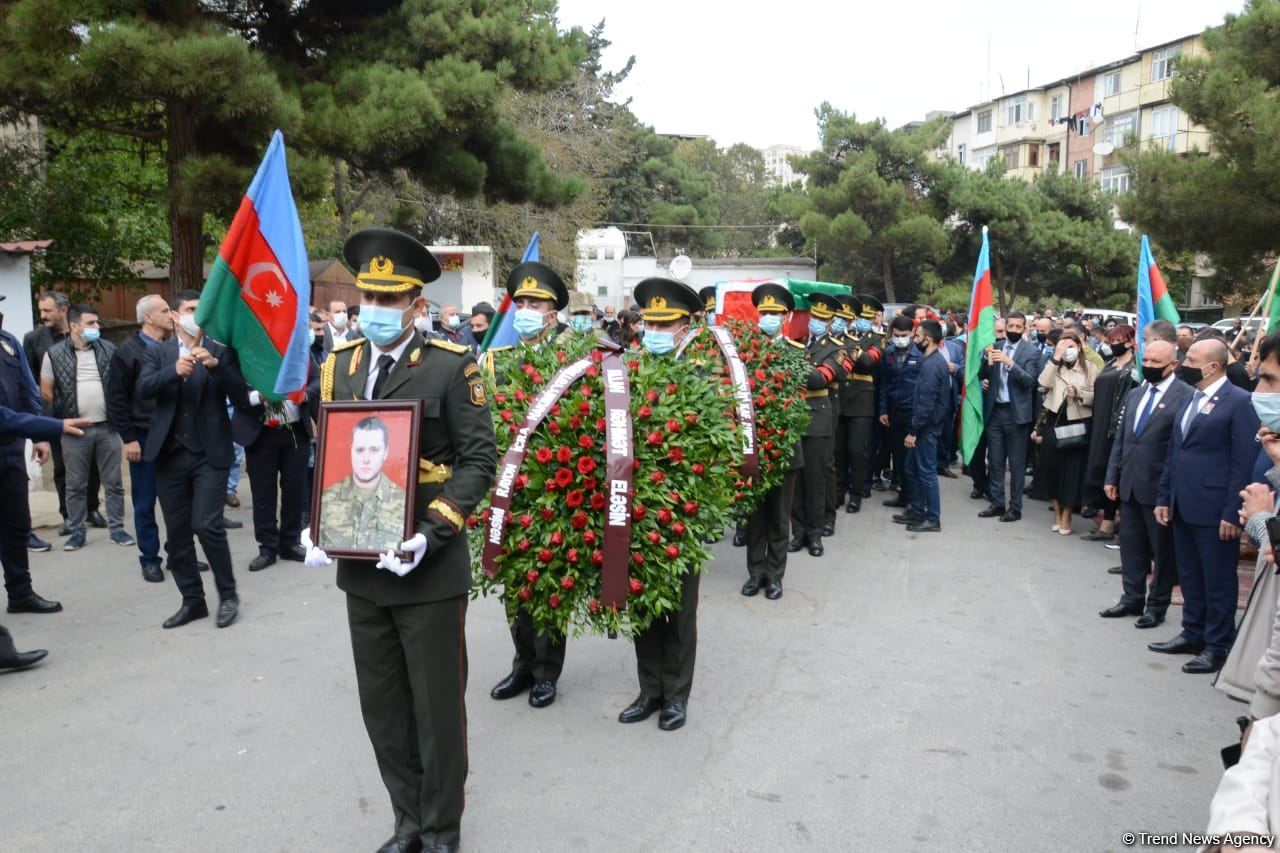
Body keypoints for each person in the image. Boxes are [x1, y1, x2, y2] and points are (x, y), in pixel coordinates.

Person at [304, 227, 496, 853]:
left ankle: (442, 830)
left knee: (436, 711)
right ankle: (407, 821)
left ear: (416, 305)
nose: (377, 313)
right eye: (369, 299)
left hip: (427, 566)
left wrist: (432, 532)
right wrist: (319, 520)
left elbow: (477, 462)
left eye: (392, 302)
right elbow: (332, 455)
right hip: (361, 568)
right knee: (383, 708)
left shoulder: (450, 364)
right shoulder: (340, 366)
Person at [618, 276, 707, 732]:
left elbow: (713, 452)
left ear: (684, 325)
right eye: (649, 321)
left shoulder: (700, 373)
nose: (654, 329)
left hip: (680, 513)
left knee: (678, 609)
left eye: (664, 322)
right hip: (633, 510)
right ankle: (649, 689)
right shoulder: (626, 370)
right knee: (642, 604)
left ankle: (676, 694)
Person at [486, 261, 572, 709]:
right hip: (507, 494)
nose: (525, 309)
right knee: (515, 583)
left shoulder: (572, 363)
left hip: (553, 493)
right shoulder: (494, 363)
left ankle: (546, 671)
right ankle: (522, 664)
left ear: (553, 314)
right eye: (519, 302)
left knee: (549, 585)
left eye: (534, 303)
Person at [138, 290, 248, 630]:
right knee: (179, 533)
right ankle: (192, 600)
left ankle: (228, 595)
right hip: (170, 456)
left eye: (201, 310)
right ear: (174, 316)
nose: (194, 315)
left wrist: (215, 368)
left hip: (209, 455)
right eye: (189, 309)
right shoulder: (159, 352)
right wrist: (174, 372)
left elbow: (241, 395)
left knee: (207, 525)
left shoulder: (219, 351)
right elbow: (143, 388)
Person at [1151, 339, 1260, 674]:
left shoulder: (1239, 401)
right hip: (1183, 502)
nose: (1184, 362)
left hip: (1215, 508)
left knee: (1218, 580)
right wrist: (1165, 496)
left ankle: (1217, 645)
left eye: (1192, 359)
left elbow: (1242, 461)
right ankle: (1192, 632)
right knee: (1189, 574)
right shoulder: (1191, 397)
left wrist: (1232, 511)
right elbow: (1176, 452)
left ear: (1213, 366)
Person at [1100, 340, 1190, 627]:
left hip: (1159, 489)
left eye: (1156, 362)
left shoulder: (1186, 396)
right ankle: (1132, 598)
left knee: (1162, 553)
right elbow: (1123, 440)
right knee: (1131, 546)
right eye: (1146, 360)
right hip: (1128, 485)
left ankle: (1156, 606)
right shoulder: (1136, 394)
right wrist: (1112, 476)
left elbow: (1180, 449)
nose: (1149, 366)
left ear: (1173, 365)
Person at [39, 304, 131, 551]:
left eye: (97, 323)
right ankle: (77, 531)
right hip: (75, 430)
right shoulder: (54, 354)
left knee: (113, 482)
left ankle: (117, 529)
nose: (96, 328)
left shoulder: (110, 350)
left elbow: (122, 385)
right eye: (91, 323)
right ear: (74, 326)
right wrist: (62, 412)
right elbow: (46, 390)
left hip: (107, 427)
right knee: (75, 484)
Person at [2, 317, 76, 617]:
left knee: (16, 526)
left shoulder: (7, 342)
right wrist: (53, 426)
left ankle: (20, 593)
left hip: (10, 449)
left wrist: (38, 436)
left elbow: (25, 392)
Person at [23, 290, 103, 543]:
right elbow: (30, 378)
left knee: (92, 465)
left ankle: (91, 508)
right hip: (57, 416)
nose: (43, 315)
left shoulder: (86, 334)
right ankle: (68, 514)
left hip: (90, 413)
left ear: (63, 310)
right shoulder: (34, 339)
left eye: (48, 310)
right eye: (41, 310)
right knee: (63, 467)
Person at [742, 284, 805, 600]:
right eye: (764, 312)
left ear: (786, 316)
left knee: (779, 517)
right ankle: (756, 572)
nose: (768, 317)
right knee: (755, 516)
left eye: (775, 313)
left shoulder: (796, 353)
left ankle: (775, 575)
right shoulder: (746, 354)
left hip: (784, 451)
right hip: (753, 449)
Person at [231, 355, 319, 571]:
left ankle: (290, 541)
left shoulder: (297, 347)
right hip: (260, 433)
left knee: (294, 489)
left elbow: (316, 378)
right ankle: (267, 547)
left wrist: (305, 394)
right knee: (263, 494)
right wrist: (258, 397)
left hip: (295, 430)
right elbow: (234, 388)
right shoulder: (249, 350)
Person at [106, 295, 171, 582]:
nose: (171, 314)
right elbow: (117, 398)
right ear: (148, 317)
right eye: (165, 310)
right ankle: (149, 558)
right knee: (145, 501)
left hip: (172, 435)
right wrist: (129, 438)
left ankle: (179, 553)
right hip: (143, 437)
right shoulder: (128, 351)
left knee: (177, 500)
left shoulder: (172, 347)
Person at [789, 292, 849, 557]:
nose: (817, 321)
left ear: (829, 321)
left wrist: (791, 369)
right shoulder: (798, 343)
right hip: (795, 417)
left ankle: (815, 534)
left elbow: (817, 380)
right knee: (796, 480)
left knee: (815, 478)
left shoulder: (837, 349)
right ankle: (798, 531)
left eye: (823, 318)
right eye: (814, 316)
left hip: (818, 417)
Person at [1031, 329, 1095, 536]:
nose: (1067, 350)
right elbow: (1042, 384)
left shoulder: (1090, 368)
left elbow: (1097, 395)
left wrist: (1079, 394)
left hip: (1077, 420)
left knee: (1073, 471)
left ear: (1079, 346)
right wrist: (1055, 358)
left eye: (1071, 346)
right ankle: (1057, 511)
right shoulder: (1054, 366)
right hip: (1054, 419)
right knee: (1052, 468)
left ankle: (1068, 513)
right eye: (1062, 345)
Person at [978, 312, 1040, 523]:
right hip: (995, 410)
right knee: (994, 461)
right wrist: (986, 376)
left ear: (1024, 328)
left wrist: (1010, 363)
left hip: (1017, 415)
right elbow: (984, 374)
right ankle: (996, 502)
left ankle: (1015, 508)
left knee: (1016, 465)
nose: (1013, 330)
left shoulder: (1031, 352)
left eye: (1017, 326)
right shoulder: (995, 346)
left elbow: (1031, 381)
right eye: (1010, 326)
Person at [1081, 324, 1137, 544]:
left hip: (1118, 427)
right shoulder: (1110, 364)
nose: (1114, 345)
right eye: (1111, 341)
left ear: (1131, 342)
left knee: (1116, 475)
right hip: (1100, 425)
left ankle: (1114, 524)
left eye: (1119, 341)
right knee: (1102, 472)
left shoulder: (1135, 368)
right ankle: (1107, 522)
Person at [317, 417, 407, 553]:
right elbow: (318, 542)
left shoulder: (404, 501)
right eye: (359, 450)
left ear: (386, 452)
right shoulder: (327, 498)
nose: (366, 459)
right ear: (350, 450)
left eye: (374, 450)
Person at [901, 320, 949, 532]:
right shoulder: (931, 360)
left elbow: (926, 403)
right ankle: (917, 510)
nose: (914, 339)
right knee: (911, 468)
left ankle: (932, 518)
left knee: (927, 473)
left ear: (927, 339)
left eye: (917, 336)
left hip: (926, 429)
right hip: (925, 427)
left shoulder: (932, 365)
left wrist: (914, 431)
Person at [839, 295, 884, 514]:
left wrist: (854, 350)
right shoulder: (844, 335)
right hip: (841, 397)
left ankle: (856, 493)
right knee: (838, 451)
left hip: (862, 401)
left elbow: (868, 361)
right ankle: (839, 489)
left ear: (874, 318)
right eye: (860, 317)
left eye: (868, 317)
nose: (863, 320)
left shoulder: (877, 339)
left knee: (857, 450)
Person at [879, 314, 923, 515]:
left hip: (912, 413)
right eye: (896, 335)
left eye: (903, 335)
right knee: (898, 456)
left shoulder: (920, 355)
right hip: (894, 411)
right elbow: (884, 384)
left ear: (913, 333)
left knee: (911, 459)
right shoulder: (888, 353)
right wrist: (883, 410)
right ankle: (903, 495)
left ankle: (914, 499)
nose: (900, 339)